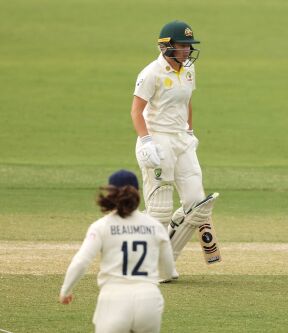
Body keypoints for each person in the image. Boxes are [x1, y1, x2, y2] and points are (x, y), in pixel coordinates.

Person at [131, 20, 216, 271]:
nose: (188, 50)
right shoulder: (150, 73)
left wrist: (189, 131)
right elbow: (136, 111)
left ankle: (164, 256)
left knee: (197, 205)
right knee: (159, 211)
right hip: (157, 140)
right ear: (167, 47)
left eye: (190, 46)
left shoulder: (188, 69)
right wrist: (146, 141)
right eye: (183, 45)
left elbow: (187, 102)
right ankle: (148, 264)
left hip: (181, 141)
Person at [59, 170, 176, 332]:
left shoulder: (101, 226)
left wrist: (66, 290)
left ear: (110, 194)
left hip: (114, 300)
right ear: (138, 193)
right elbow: (169, 270)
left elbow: (81, 262)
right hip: (149, 300)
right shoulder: (155, 226)